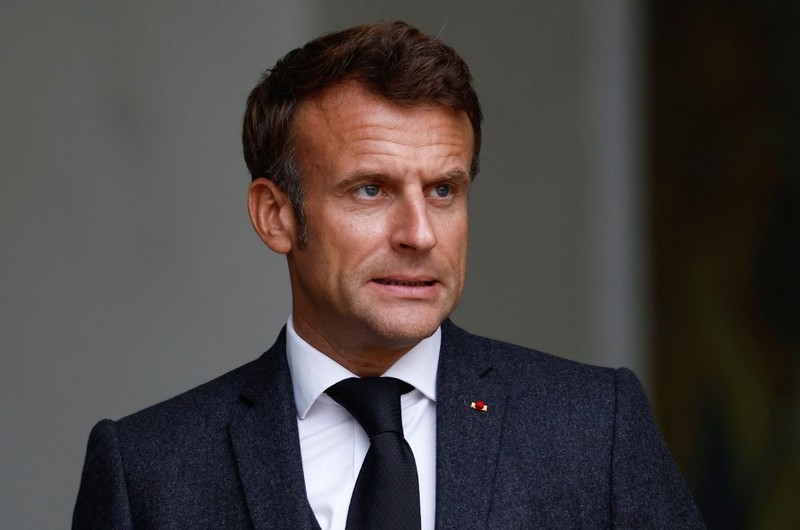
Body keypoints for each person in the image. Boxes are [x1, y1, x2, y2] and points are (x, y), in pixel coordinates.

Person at [73, 21, 703, 529]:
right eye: (371, 189)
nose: (419, 234)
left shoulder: (593, 428)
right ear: (275, 216)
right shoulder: (149, 472)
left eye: (443, 190)